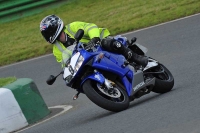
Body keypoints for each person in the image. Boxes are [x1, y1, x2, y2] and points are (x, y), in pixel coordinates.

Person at [40, 14, 148, 67]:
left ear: (54, 28)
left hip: (98, 43)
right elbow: (64, 64)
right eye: (45, 34)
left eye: (47, 33)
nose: (47, 36)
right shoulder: (56, 49)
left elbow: (90, 27)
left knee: (107, 43)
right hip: (86, 58)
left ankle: (136, 57)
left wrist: (94, 38)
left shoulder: (72, 27)